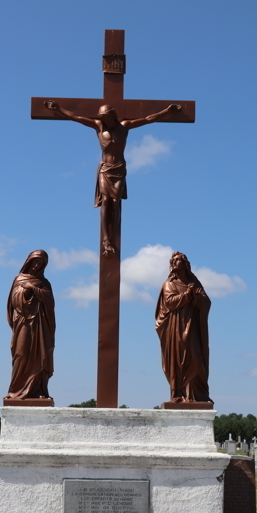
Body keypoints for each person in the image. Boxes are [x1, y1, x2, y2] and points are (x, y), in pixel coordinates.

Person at [44, 100, 181, 256]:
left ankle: (112, 237)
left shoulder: (124, 126)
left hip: (118, 170)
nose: (104, 120)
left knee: (115, 203)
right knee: (106, 203)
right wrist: (59, 110)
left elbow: (148, 119)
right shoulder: (99, 126)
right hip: (105, 170)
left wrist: (167, 112)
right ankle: (106, 241)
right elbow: (77, 118)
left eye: (106, 117)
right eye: (101, 117)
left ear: (112, 116)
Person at [155, 252, 212, 403]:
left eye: (178, 259)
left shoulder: (194, 283)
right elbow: (169, 302)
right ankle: (179, 394)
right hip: (176, 328)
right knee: (178, 361)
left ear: (186, 264)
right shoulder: (169, 284)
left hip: (191, 326)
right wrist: (187, 295)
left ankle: (198, 395)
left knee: (196, 357)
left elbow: (206, 302)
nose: (174, 262)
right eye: (172, 260)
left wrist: (196, 296)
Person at [6, 250, 55, 400]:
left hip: (40, 325)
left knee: (41, 355)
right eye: (35, 262)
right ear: (29, 262)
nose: (37, 266)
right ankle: (16, 390)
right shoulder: (20, 279)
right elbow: (15, 301)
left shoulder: (45, 283)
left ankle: (38, 389)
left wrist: (33, 288)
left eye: (41, 263)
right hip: (24, 323)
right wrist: (25, 291)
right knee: (21, 353)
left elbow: (50, 302)